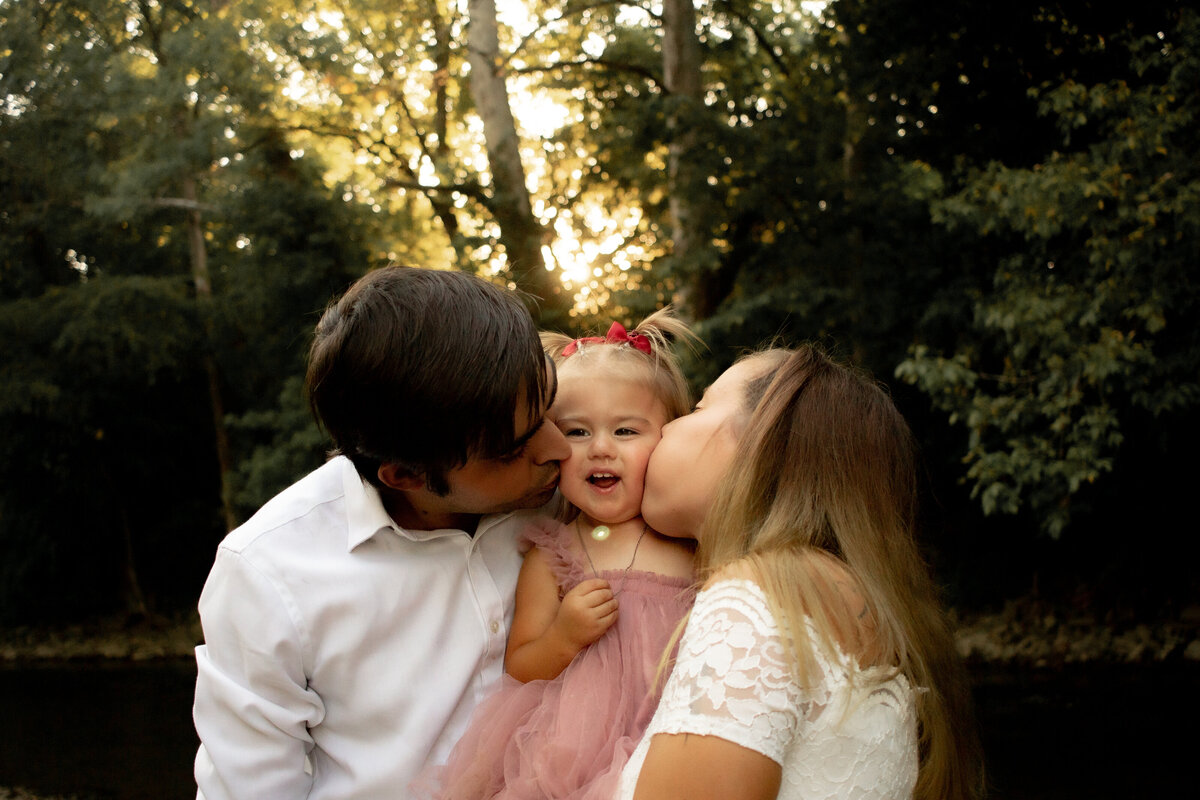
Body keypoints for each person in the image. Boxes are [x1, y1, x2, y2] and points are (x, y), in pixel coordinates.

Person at [192, 266, 572, 799]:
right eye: (513, 450)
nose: (561, 450)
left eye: (552, 411)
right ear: (407, 476)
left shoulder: (573, 495)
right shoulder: (268, 575)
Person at [617, 346, 986, 800]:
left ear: (758, 444)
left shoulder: (752, 602)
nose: (668, 427)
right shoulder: (864, 609)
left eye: (699, 407)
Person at [419, 311, 699, 800]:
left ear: (670, 436)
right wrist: (565, 635)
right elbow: (521, 664)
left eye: (627, 432)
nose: (601, 449)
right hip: (574, 754)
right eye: (576, 432)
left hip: (678, 732)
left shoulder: (690, 539)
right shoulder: (555, 552)